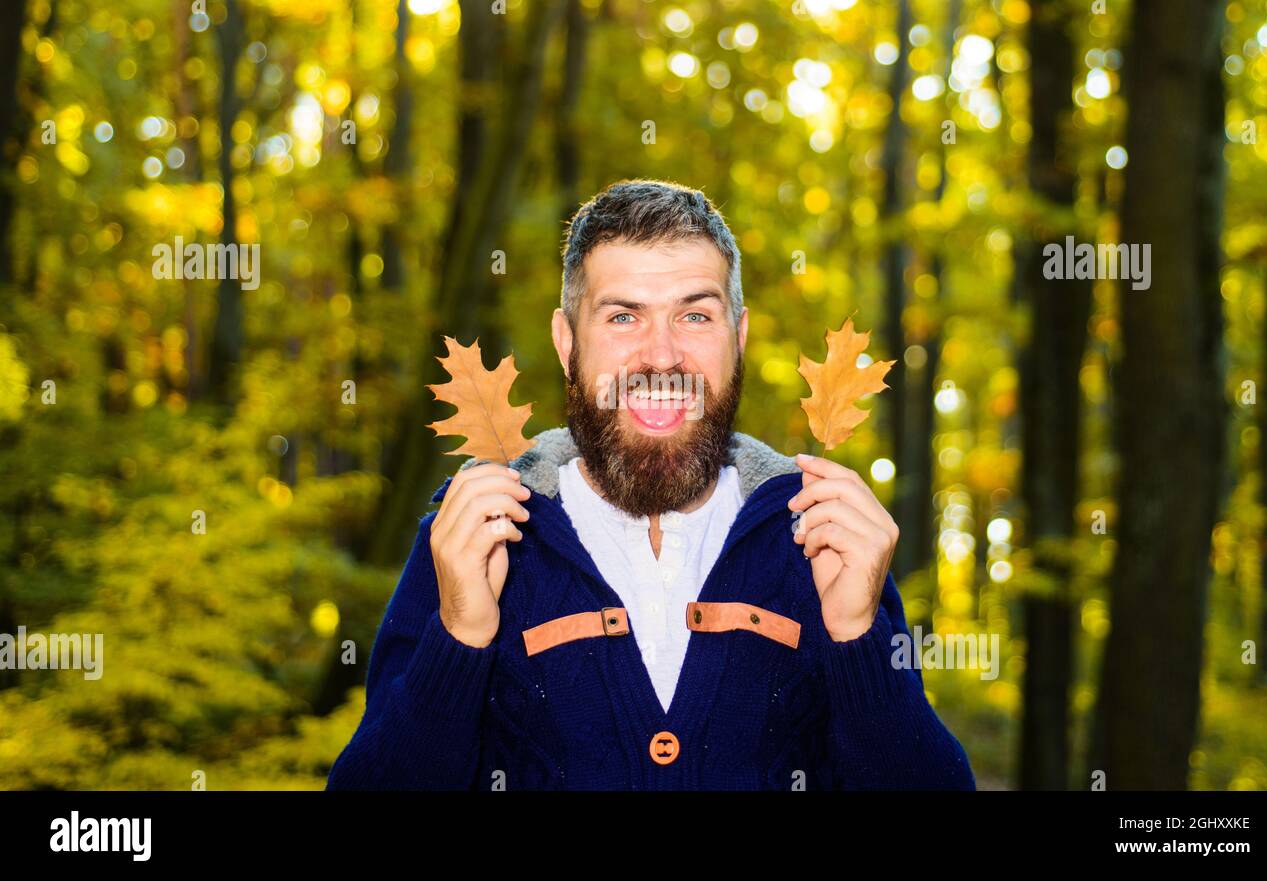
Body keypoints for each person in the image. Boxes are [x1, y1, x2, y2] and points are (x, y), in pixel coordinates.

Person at [327, 179, 976, 790]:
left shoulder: (815, 534)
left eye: (695, 316)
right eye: (622, 317)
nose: (662, 355)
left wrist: (858, 638)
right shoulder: (473, 537)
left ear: (739, 336)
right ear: (566, 340)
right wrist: (459, 638)